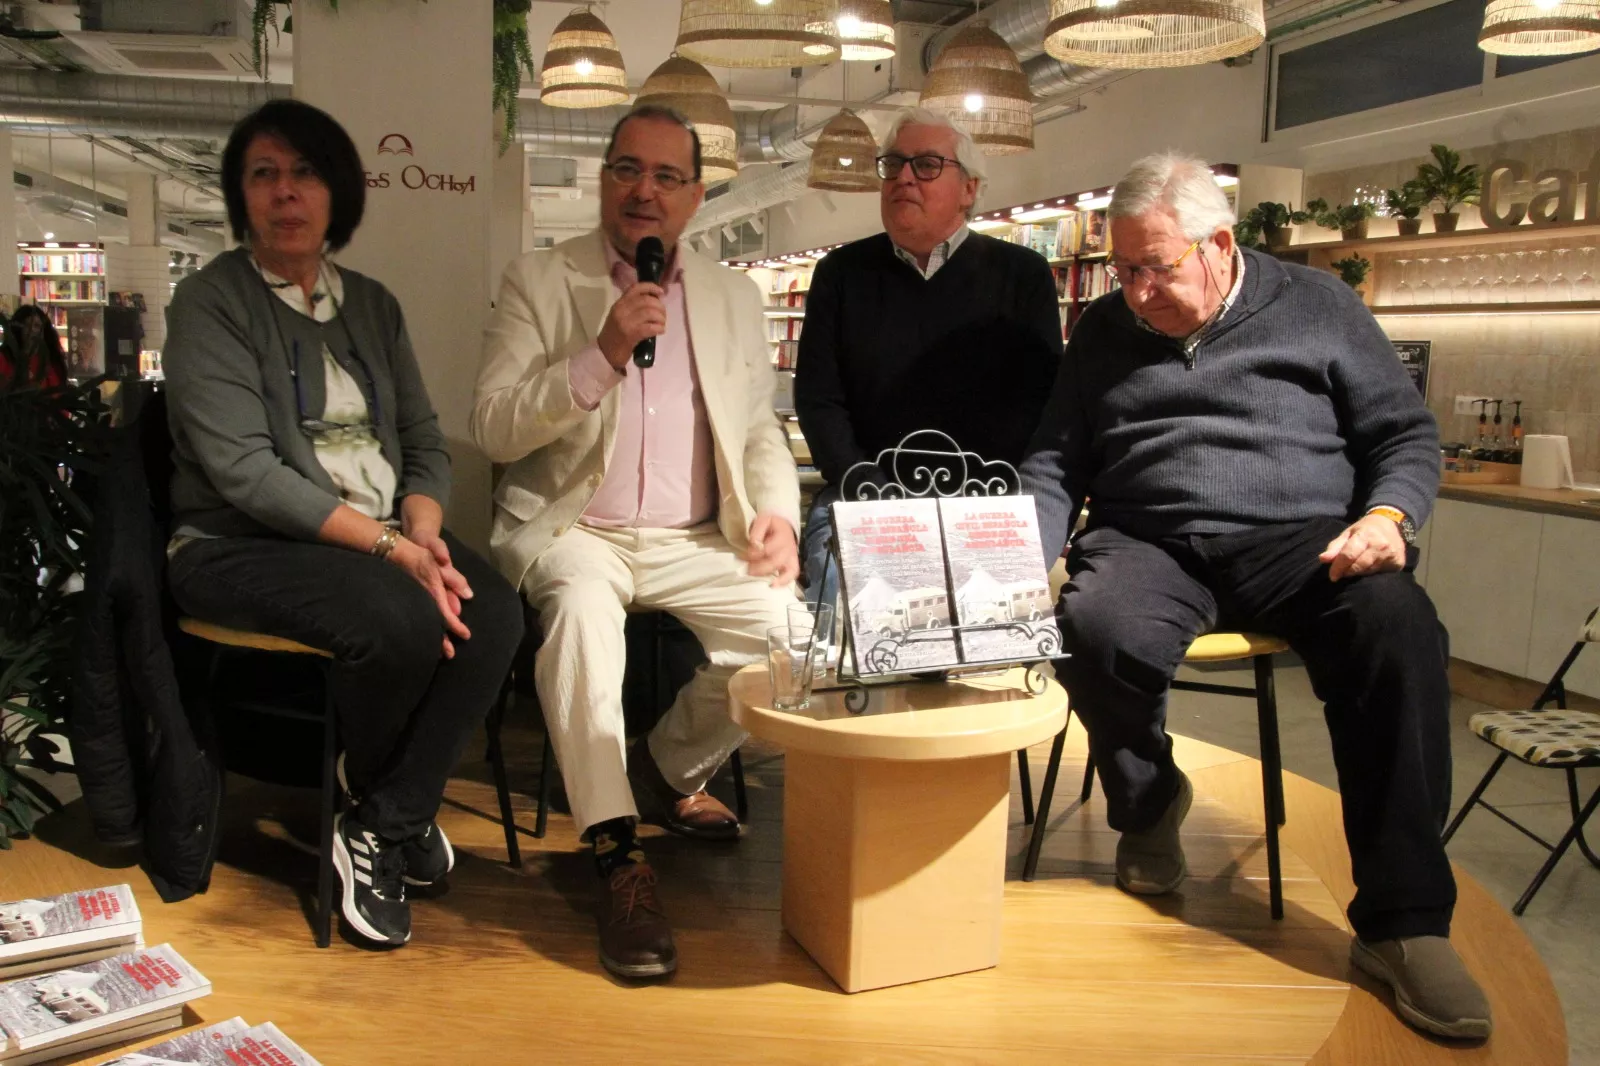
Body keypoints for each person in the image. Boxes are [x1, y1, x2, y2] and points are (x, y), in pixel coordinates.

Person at [1020, 152, 1492, 1041]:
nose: (1136, 291)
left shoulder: (1320, 308)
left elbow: (1403, 434)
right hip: (1150, 537)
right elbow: (1055, 459)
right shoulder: (1104, 331)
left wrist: (1388, 516)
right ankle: (1150, 803)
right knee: (1091, 623)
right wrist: (1015, 561)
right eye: (1122, 270)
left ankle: (1406, 924)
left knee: (1399, 633)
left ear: (1220, 244)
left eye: (1155, 267)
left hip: (1302, 542)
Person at [162, 99, 523, 949]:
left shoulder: (372, 305)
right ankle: (391, 805)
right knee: (396, 617)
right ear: (240, 194)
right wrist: (393, 548)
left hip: (375, 534)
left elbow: (425, 442)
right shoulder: (210, 304)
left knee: (497, 612)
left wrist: (425, 530)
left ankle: (380, 820)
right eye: (264, 174)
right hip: (234, 544)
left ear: (338, 194)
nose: (286, 193)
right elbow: (245, 474)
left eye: (306, 172)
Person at [473, 105, 800, 981]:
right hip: (577, 527)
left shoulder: (735, 296)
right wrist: (602, 353)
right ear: (603, 180)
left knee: (794, 642)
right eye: (626, 170)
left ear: (696, 195)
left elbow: (757, 429)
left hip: (698, 534)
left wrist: (778, 513)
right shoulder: (539, 280)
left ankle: (664, 766)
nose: (642, 191)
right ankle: (618, 854)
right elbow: (494, 426)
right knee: (582, 619)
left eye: (664, 176)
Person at [794, 108, 1061, 612]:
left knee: (993, 648)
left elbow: (1038, 403)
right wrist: (867, 489)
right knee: (845, 631)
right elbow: (818, 400)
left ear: (969, 188)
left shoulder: (1022, 276)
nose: (904, 178)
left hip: (983, 501)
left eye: (927, 165)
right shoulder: (841, 276)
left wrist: (981, 502)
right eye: (893, 165)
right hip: (864, 497)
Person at [1, 305, 69, 389]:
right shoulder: (5, 357)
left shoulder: (52, 360)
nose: (32, 330)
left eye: (37, 326)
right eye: (26, 325)